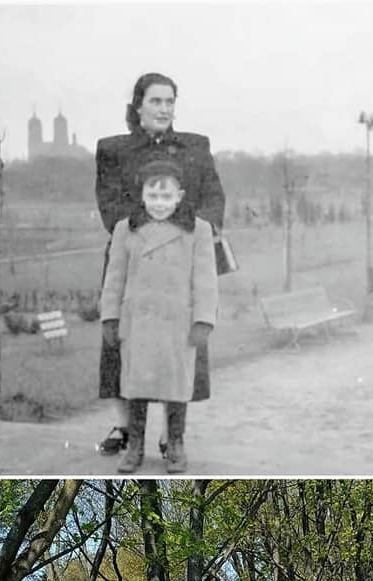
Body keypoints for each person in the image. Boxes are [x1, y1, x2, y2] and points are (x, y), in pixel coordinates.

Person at [95, 71, 225, 457]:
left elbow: (214, 199)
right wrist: (151, 225)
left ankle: (172, 435)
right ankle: (125, 428)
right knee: (121, 345)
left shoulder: (195, 147)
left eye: (170, 102)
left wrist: (186, 231)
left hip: (180, 260)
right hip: (133, 255)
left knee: (178, 350)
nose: (164, 109)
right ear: (138, 106)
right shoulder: (114, 150)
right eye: (155, 101)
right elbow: (111, 207)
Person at [98, 158, 218, 473]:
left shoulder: (198, 229)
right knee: (136, 386)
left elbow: (206, 280)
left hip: (177, 325)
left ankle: (175, 444)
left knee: (176, 386)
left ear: (179, 195)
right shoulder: (127, 229)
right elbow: (114, 278)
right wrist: (110, 317)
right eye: (153, 196)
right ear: (142, 195)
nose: (160, 203)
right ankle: (135, 446)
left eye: (167, 196)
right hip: (137, 323)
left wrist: (203, 319)